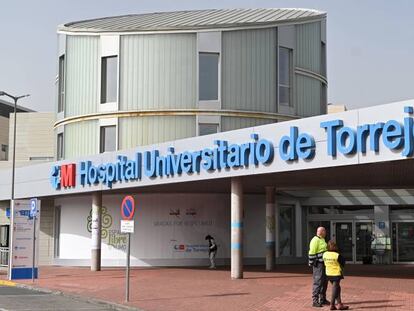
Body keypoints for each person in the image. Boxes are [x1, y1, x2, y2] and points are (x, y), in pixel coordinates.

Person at [323, 240, 349, 310]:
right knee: (335, 288)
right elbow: (343, 263)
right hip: (336, 273)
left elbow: (323, 263)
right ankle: (332, 305)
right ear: (335, 247)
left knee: (337, 287)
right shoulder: (337, 255)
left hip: (328, 273)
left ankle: (340, 304)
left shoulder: (325, 254)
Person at [308, 227, 329, 308]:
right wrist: (312, 263)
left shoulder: (322, 239)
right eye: (324, 231)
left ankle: (323, 299)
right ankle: (315, 300)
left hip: (324, 263)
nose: (325, 232)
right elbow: (312, 252)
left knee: (324, 281)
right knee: (318, 281)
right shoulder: (315, 240)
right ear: (321, 232)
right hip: (318, 264)